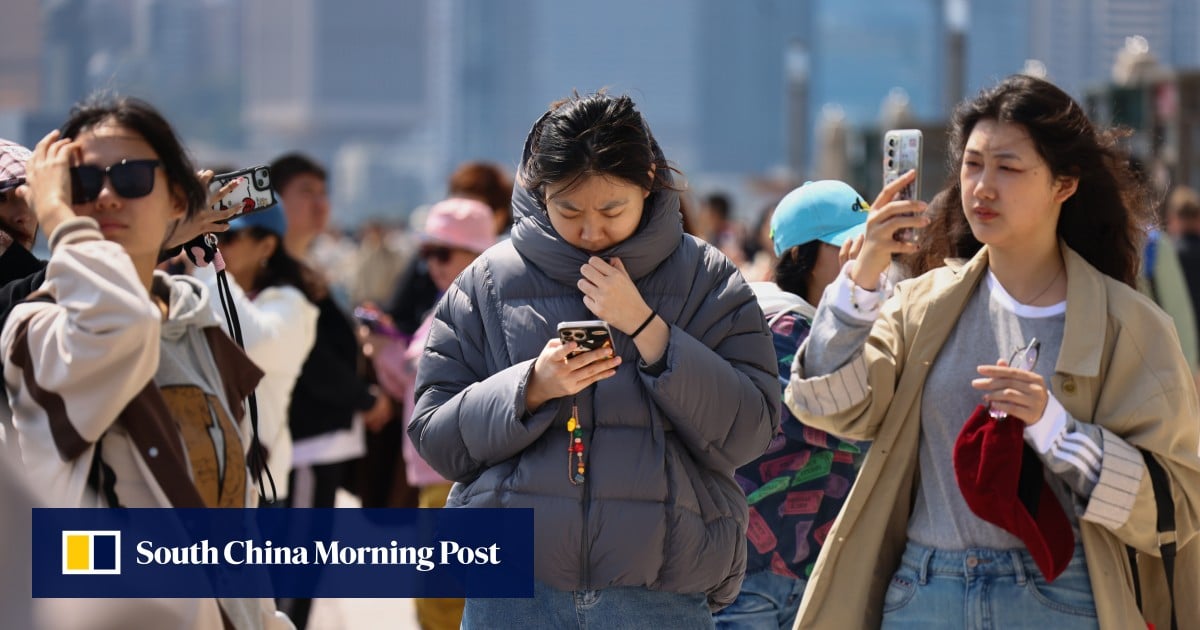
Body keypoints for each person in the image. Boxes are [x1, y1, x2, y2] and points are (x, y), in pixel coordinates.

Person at [785, 74, 1200, 629]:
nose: (982, 187)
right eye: (972, 164)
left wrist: (1057, 430)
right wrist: (860, 281)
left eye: (1008, 168)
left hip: (1062, 594)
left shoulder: (1130, 324)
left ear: (1064, 184)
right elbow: (827, 407)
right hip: (923, 591)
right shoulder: (920, 305)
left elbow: (1179, 503)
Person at [409, 92, 780, 628]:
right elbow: (435, 438)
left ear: (648, 182)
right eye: (568, 210)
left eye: (611, 210)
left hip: (657, 590)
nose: (590, 230)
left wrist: (650, 331)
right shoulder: (487, 283)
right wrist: (530, 386)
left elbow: (750, 432)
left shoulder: (706, 279)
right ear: (540, 192)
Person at [2, 96, 290, 628]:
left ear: (179, 200)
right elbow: (118, 324)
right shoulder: (36, 330)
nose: (107, 196)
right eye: (82, 183)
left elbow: (234, 520)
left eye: (132, 177)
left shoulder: (193, 323)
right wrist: (62, 222)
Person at [712, 181, 872, 630]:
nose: (861, 258)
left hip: (791, 569)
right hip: (755, 578)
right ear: (800, 255)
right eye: (846, 245)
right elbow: (840, 419)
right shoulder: (780, 327)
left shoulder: (798, 323)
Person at [269, 152, 389, 630]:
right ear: (275, 199)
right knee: (290, 578)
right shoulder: (274, 270)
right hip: (301, 444)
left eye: (323, 192)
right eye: (306, 193)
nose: (320, 204)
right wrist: (366, 399)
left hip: (319, 443)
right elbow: (307, 359)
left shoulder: (303, 266)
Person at [373, 197, 495, 630]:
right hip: (443, 468)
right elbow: (414, 381)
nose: (432, 266)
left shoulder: (474, 305)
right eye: (427, 254)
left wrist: (389, 350)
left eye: (442, 253)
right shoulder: (457, 302)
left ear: (477, 254)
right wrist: (386, 346)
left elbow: (421, 375)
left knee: (444, 597)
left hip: (452, 471)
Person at [200, 204, 320, 505]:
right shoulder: (206, 291)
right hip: (203, 471)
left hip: (254, 484)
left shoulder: (289, 304)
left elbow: (250, 344)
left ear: (266, 245)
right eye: (210, 235)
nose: (213, 244)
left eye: (226, 237)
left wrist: (205, 263)